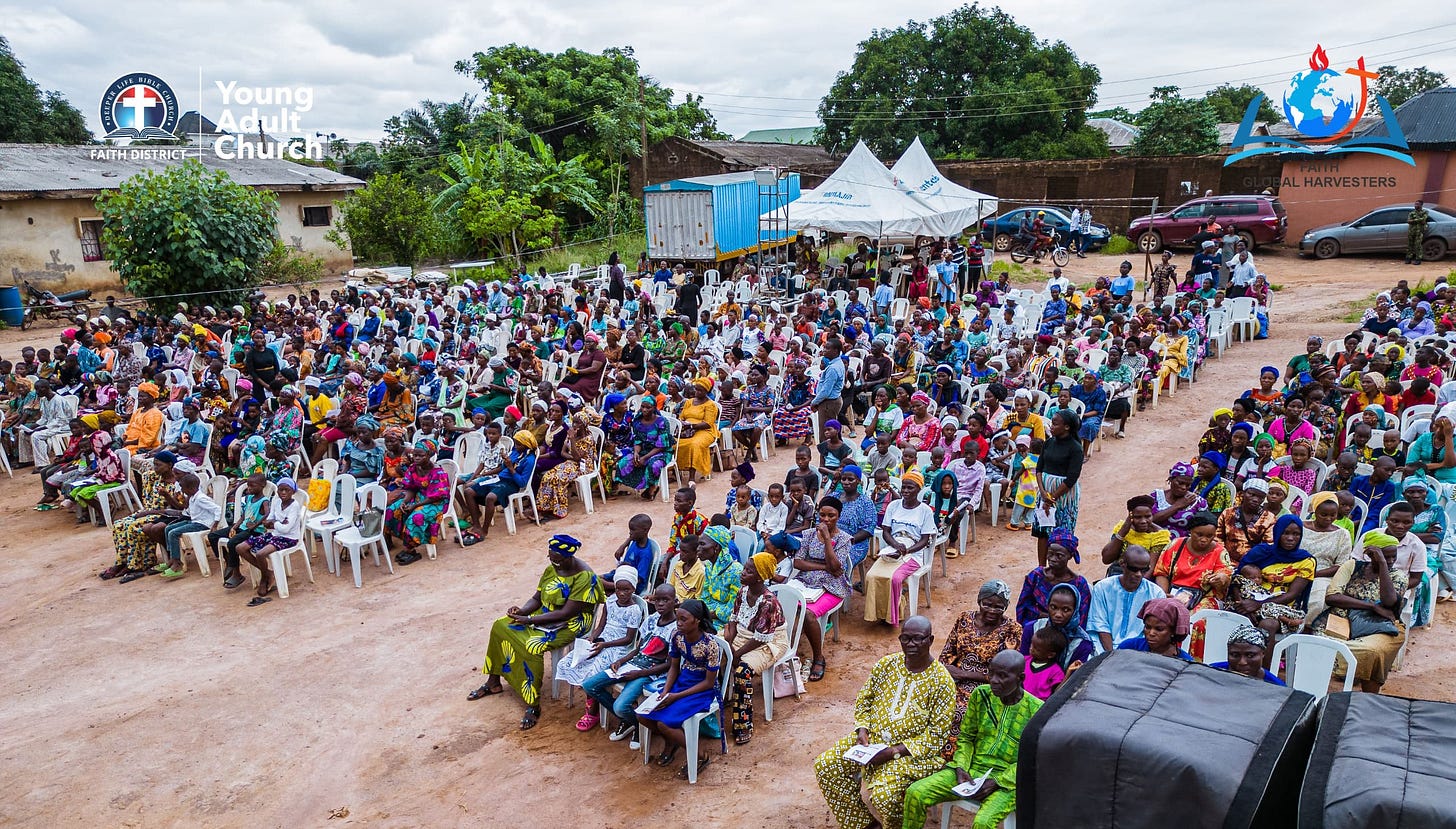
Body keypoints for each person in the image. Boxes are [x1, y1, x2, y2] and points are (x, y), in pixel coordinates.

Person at [814, 615, 955, 829]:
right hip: (872, 741)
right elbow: (865, 698)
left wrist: (892, 752)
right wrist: (862, 729)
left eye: (918, 639)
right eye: (906, 638)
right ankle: (864, 824)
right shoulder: (887, 664)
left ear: (930, 640)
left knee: (884, 796)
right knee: (826, 765)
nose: (911, 644)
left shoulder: (942, 681)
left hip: (912, 755)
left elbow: (936, 736)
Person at [472, 535, 605, 730]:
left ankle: (532, 704)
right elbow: (537, 598)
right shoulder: (552, 569)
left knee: (532, 645)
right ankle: (493, 681)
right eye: (551, 558)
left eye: (557, 559)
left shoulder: (585, 577)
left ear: (569, 557)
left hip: (571, 622)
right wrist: (522, 611)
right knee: (500, 626)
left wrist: (530, 620)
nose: (554, 563)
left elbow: (566, 613)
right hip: (545, 614)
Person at [901, 650, 1042, 829]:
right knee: (916, 793)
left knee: (983, 823)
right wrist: (961, 767)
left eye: (1002, 676)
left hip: (1008, 781)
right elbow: (966, 737)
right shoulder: (980, 695)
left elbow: (1031, 759)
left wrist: (997, 781)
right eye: (991, 673)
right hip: (971, 769)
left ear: (1020, 678)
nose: (993, 680)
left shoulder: (1036, 710)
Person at [638, 598, 725, 779]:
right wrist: (665, 692)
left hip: (701, 690)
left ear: (697, 621)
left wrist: (675, 696)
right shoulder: (677, 637)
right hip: (682, 682)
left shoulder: (710, 645)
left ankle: (701, 755)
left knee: (664, 723)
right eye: (678, 618)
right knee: (642, 715)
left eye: (684, 619)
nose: (678, 623)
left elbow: (709, 683)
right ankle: (672, 741)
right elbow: (674, 666)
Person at [582, 584, 678, 745]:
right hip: (633, 665)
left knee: (620, 706)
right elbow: (639, 649)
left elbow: (669, 665)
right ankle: (631, 720)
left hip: (650, 673)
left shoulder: (676, 629)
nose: (660, 604)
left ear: (675, 601)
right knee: (589, 685)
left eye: (665, 600)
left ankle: (639, 725)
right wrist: (621, 661)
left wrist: (639, 674)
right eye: (657, 600)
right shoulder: (652, 619)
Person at [1314, 530, 1407, 693]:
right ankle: (1317, 693)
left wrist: (1383, 565)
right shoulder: (1352, 566)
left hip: (1380, 626)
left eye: (1394, 557)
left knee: (1372, 652)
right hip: (1341, 621)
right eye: (1386, 557)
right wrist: (1371, 606)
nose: (1391, 561)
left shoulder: (1398, 576)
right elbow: (1332, 597)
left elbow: (1389, 602)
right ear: (1370, 555)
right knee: (1319, 643)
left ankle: (1368, 697)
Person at [937, 579, 1023, 754]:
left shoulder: (1012, 629)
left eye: (998, 607)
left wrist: (964, 674)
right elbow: (946, 655)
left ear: (1006, 607)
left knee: (961, 712)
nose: (992, 611)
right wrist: (949, 673)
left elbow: (1008, 672)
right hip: (953, 679)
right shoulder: (964, 619)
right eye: (987, 604)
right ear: (979, 601)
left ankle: (954, 756)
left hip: (989, 685)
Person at [725, 553, 789, 745]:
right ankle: (722, 698)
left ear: (760, 577)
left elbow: (761, 638)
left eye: (749, 571)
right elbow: (734, 618)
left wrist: (736, 654)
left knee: (742, 672)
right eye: (745, 568)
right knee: (714, 650)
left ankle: (743, 724)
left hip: (769, 643)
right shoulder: (743, 591)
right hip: (744, 635)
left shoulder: (768, 603)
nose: (743, 573)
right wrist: (729, 641)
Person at [791, 497, 853, 681]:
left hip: (832, 585)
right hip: (805, 581)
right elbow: (798, 562)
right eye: (822, 515)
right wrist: (823, 566)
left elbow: (836, 568)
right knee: (779, 601)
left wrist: (827, 539)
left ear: (838, 516)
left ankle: (818, 657)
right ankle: (785, 649)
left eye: (831, 516)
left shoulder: (844, 539)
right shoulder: (809, 534)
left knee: (808, 614)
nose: (826, 520)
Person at [866, 471, 938, 626]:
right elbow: (886, 531)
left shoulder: (925, 510)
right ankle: (879, 613)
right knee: (872, 575)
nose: (905, 491)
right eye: (903, 487)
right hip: (892, 547)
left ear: (918, 489)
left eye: (910, 488)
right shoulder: (894, 505)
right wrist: (895, 546)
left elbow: (924, 540)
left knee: (895, 578)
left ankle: (892, 615)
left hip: (913, 553)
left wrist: (906, 550)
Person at [1230, 514, 1315, 644]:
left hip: (1282, 606)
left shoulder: (1306, 561)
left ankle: (1264, 659)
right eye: (1285, 533)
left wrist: (1258, 605)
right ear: (1277, 533)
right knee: (1231, 618)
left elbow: (1292, 595)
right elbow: (1237, 579)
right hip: (1249, 598)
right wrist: (1242, 604)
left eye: (1296, 534)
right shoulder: (1261, 552)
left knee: (1268, 625)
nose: (1290, 538)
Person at [234, 478, 303, 606]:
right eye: (280, 490)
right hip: (275, 534)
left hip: (289, 538)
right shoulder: (276, 502)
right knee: (240, 548)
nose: (283, 493)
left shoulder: (294, 506)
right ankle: (268, 573)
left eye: (287, 490)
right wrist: (276, 523)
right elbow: (268, 521)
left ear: (293, 492)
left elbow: (286, 529)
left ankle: (264, 578)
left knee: (260, 554)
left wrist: (274, 523)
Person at [1088, 545, 1167, 653]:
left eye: (1144, 570)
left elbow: (1152, 632)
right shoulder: (1102, 588)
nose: (1139, 574)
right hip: (1103, 648)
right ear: (1122, 564)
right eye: (1134, 569)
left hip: (1139, 651)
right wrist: (1111, 655)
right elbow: (1100, 626)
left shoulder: (1156, 593)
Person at [383, 441, 450, 565]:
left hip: (435, 502)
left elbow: (437, 496)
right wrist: (404, 501)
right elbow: (411, 489)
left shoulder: (438, 472)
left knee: (416, 517)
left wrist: (415, 505)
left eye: (421, 455)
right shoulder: (413, 468)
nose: (417, 458)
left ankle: (410, 550)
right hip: (418, 497)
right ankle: (399, 541)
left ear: (429, 455)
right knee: (392, 510)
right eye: (415, 455)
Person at [1014, 528, 1091, 625]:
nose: (1053, 559)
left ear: (1070, 556)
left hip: (1067, 630)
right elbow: (1023, 607)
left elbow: (1082, 616)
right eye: (1050, 554)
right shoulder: (1036, 576)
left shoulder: (1079, 584)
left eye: (1059, 555)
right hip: (1036, 626)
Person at [1035, 409, 1083, 565]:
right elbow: (1039, 468)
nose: (1051, 426)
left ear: (1067, 427)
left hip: (1063, 495)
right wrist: (1043, 493)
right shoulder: (1049, 443)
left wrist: (1052, 497)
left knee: (1061, 534)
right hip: (1045, 491)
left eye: (1055, 424)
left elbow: (1072, 478)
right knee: (1043, 531)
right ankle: (1041, 568)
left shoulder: (1075, 448)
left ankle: (1058, 568)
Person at [1017, 583, 1095, 672]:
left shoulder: (1082, 643)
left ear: (1075, 610)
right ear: (1048, 605)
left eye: (1066, 610)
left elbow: (1076, 677)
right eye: (1053, 607)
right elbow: (1022, 664)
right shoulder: (1032, 629)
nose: (1058, 614)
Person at [1115, 597, 1194, 661]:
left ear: (1173, 631)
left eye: (1159, 629)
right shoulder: (1129, 647)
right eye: (1147, 627)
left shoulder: (1185, 661)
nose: (1151, 633)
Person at [1209, 626, 1285, 685]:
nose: (1242, 662)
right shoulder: (1209, 674)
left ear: (1263, 654)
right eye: (1235, 655)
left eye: (1250, 655)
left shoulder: (1276, 687)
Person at [1406, 200, 1430, 265]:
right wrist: (1419, 220)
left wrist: (1413, 220)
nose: (1416, 205)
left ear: (1421, 205)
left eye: (1417, 204)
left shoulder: (1425, 212)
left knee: (1418, 245)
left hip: (1419, 231)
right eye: (1415, 204)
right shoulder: (1412, 213)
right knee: (1410, 245)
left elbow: (1424, 219)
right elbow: (1408, 221)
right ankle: (1408, 258)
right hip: (1411, 231)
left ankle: (1418, 259)